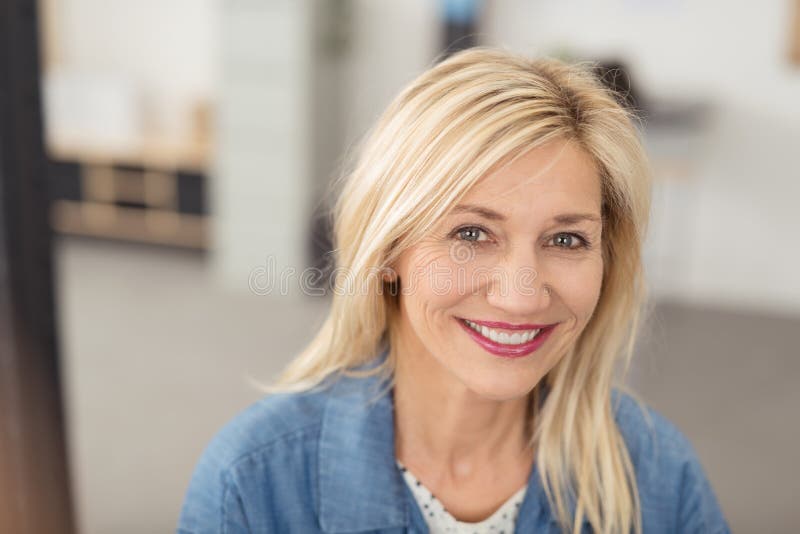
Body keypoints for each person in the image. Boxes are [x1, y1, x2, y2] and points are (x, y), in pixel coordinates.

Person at [177, 48, 730, 534]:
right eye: (471, 233)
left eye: (566, 238)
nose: (522, 297)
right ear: (389, 251)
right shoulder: (253, 486)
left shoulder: (658, 476)